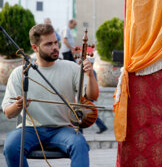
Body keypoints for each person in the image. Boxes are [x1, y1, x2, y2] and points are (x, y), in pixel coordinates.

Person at [1, 23, 99, 167]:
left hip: (62, 129)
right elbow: (8, 113)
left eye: (55, 42)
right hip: (30, 129)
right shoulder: (19, 73)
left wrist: (90, 75)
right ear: (35, 48)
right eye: (48, 44)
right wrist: (18, 105)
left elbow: (93, 96)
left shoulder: (71, 67)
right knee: (10, 147)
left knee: (79, 144)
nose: (55, 47)